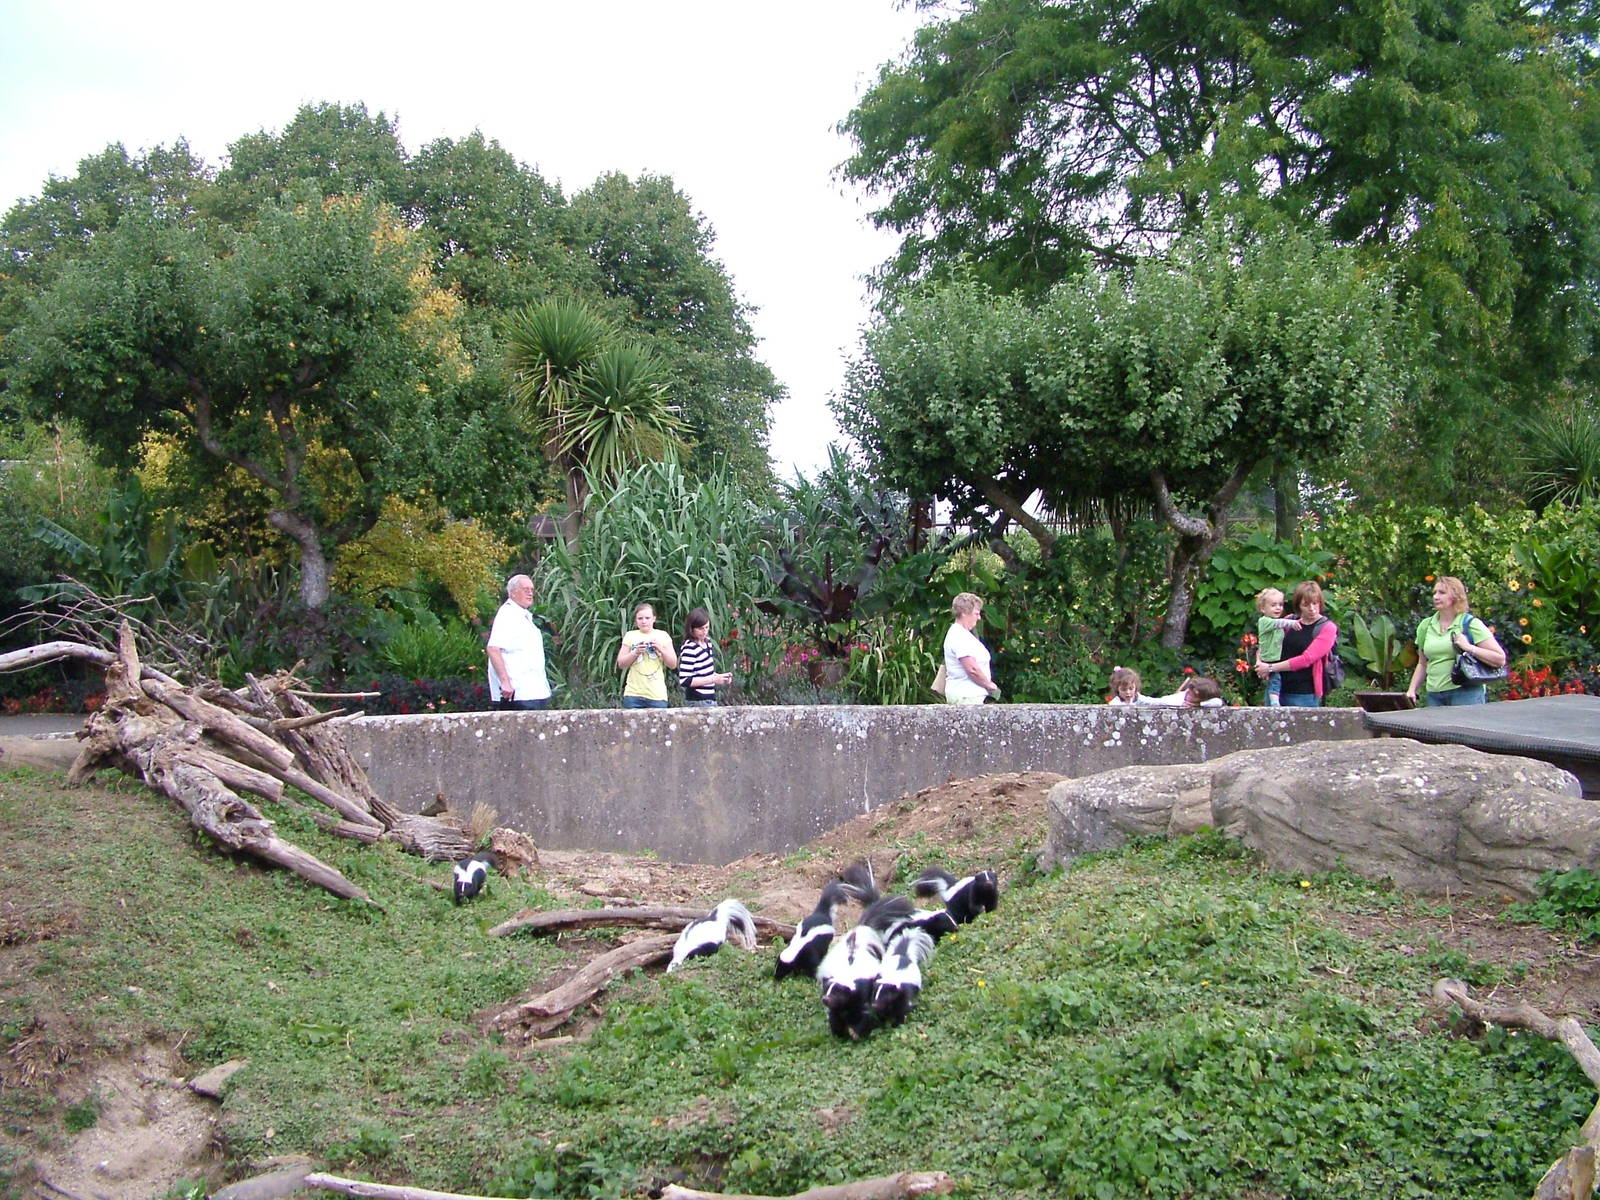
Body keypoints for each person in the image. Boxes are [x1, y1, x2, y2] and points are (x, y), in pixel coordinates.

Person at [1406, 576, 1507, 707]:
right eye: (1435, 592)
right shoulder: (1425, 626)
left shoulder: (1470, 624)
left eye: (1442, 593)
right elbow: (1423, 663)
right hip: (1434, 696)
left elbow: (1500, 659)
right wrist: (1412, 690)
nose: (1436, 597)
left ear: (1456, 596)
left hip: (1465, 693)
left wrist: (1468, 647)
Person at [1255, 580, 1337, 707]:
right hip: (1277, 689)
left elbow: (1307, 659)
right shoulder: (1288, 621)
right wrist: (1259, 662)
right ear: (1298, 605)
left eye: (1315, 604)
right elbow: (1266, 641)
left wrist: (1270, 668)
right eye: (1306, 604)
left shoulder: (1327, 628)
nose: (1312, 609)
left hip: (1304, 694)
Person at [486, 574, 551, 711]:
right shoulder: (507, 614)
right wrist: (505, 682)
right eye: (525, 589)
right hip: (518, 694)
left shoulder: (523, 616)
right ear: (513, 593)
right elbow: (493, 649)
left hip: (535, 692)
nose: (530, 593)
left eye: (532, 590)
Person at [617, 602, 677, 709]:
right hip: (633, 694)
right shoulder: (630, 635)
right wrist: (635, 652)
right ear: (636, 620)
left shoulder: (663, 635)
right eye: (640, 618)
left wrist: (660, 649)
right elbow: (621, 663)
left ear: (654, 618)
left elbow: (673, 664)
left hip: (657, 695)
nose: (644, 621)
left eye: (647, 618)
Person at [943, 592, 1000, 704]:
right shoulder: (959, 636)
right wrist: (989, 685)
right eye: (976, 613)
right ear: (964, 613)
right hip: (966, 696)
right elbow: (972, 669)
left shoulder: (962, 634)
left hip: (970, 695)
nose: (979, 618)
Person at [1253, 587, 1302, 707]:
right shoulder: (1264, 621)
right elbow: (1279, 623)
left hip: (1274, 656)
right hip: (1270, 657)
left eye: (1280, 604)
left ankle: (1273, 699)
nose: (1278, 608)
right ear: (1263, 608)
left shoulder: (1275, 620)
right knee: (1275, 680)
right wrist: (1293, 623)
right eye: (1273, 605)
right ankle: (1275, 702)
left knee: (1275, 680)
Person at [678, 607, 733, 707]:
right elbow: (685, 680)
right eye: (700, 629)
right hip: (697, 700)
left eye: (707, 627)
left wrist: (719, 677)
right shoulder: (690, 648)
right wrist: (712, 679)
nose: (704, 631)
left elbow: (703, 672)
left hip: (709, 698)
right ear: (691, 629)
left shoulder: (707, 643)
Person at [1149, 676, 1224, 707]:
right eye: (1189, 691)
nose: (1188, 694)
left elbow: (1218, 702)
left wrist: (1199, 704)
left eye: (1193, 695)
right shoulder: (1177, 700)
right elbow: (1154, 702)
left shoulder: (1210, 702)